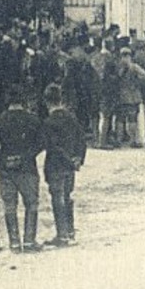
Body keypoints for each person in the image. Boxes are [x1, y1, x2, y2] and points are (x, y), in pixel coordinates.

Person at [0, 87, 49, 253]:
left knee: (10, 205)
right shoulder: (32, 119)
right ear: (24, 102)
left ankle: (14, 242)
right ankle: (29, 240)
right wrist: (26, 156)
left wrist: (2, 158)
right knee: (31, 203)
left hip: (6, 168)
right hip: (27, 167)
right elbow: (42, 143)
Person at [41, 84, 87, 245]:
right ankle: (70, 230)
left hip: (56, 165)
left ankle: (62, 234)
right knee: (67, 197)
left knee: (57, 199)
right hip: (71, 166)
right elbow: (82, 139)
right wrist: (78, 159)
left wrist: (68, 159)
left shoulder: (49, 122)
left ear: (46, 102)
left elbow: (53, 147)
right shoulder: (71, 118)